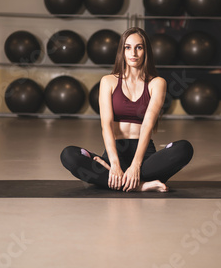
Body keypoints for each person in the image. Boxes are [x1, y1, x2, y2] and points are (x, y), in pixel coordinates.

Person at [60, 27, 193, 192]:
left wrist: (136, 165)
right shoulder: (108, 81)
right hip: (115, 152)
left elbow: (147, 125)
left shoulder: (157, 83)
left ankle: (119, 179)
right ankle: (141, 185)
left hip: (144, 156)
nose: (134, 53)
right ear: (122, 51)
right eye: (128, 47)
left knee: (184, 149)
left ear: (146, 51)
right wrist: (114, 164)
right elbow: (106, 125)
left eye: (139, 47)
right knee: (69, 155)